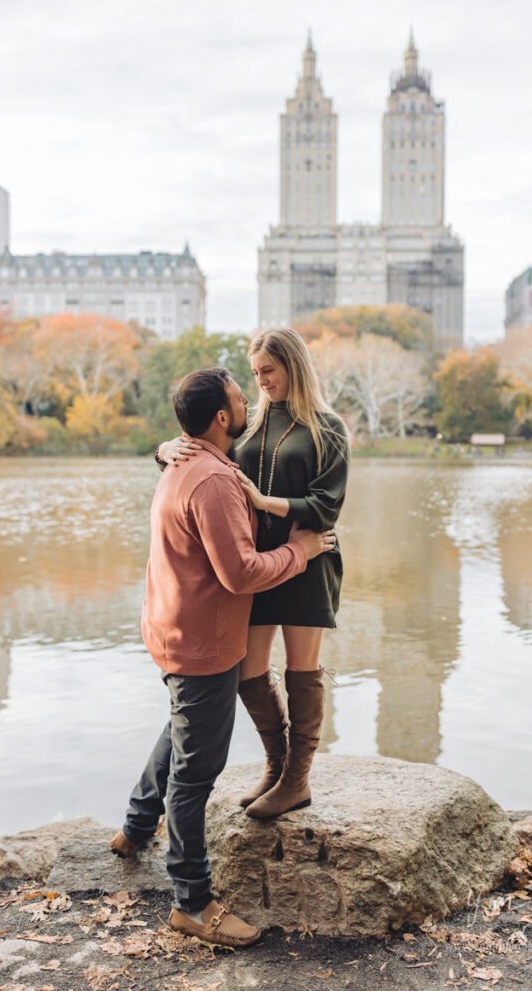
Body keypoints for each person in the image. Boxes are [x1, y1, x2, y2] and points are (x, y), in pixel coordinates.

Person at [111, 367, 334, 949]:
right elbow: (239, 574)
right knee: (195, 775)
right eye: (241, 398)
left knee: (182, 725)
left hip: (171, 629)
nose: (250, 402)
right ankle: (193, 902)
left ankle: (136, 827)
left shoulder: (184, 461)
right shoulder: (211, 480)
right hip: (204, 643)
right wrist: (300, 550)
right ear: (220, 418)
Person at [156, 328, 350, 821]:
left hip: (308, 559)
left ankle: (297, 782)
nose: (261, 381)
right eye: (256, 373)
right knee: (249, 671)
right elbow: (203, 445)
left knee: (302, 671)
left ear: (294, 366)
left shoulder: (328, 428)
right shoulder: (252, 425)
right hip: (260, 564)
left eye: (269, 371)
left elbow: (327, 507)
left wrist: (266, 503)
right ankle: (277, 765)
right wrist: (165, 449)